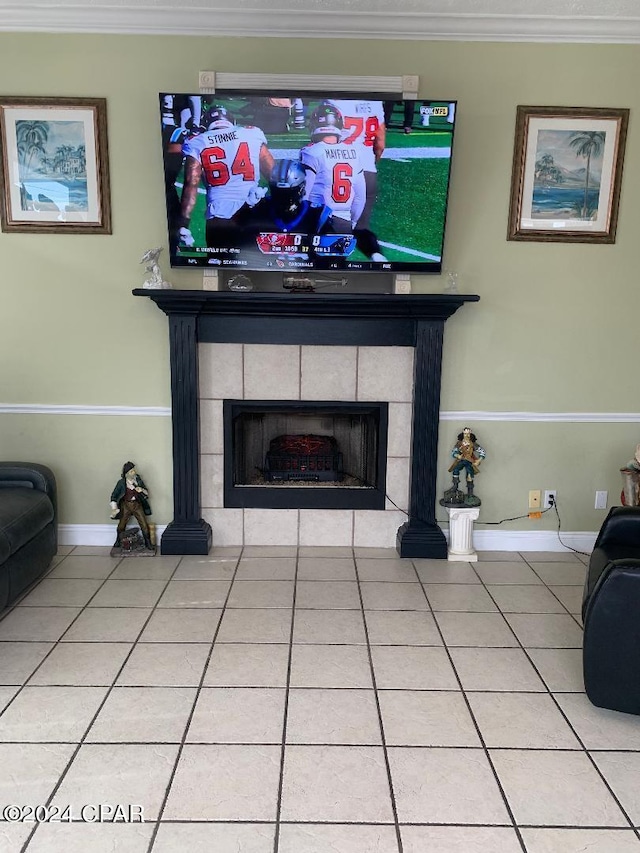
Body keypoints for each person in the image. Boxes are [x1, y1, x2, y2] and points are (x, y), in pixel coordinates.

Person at [178, 105, 275, 257]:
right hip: (253, 212)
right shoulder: (251, 133)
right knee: (258, 264)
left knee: (220, 267)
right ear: (232, 121)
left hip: (219, 216)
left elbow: (192, 182)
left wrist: (183, 224)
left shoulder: (198, 141)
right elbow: (273, 175)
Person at [300, 101, 386, 261]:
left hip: (326, 176)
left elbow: (305, 193)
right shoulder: (374, 101)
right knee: (360, 228)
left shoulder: (311, 151)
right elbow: (380, 141)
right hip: (363, 166)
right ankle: (377, 256)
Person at [243, 158, 334, 260]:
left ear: (301, 189)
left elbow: (333, 258)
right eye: (279, 193)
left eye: (287, 193)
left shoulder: (317, 215)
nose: (283, 199)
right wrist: (246, 208)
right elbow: (237, 242)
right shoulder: (261, 208)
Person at [110, 462, 154, 551]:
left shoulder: (138, 480)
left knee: (144, 523)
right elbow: (114, 496)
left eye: (134, 470)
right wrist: (114, 508)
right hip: (126, 505)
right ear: (126, 474)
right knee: (122, 524)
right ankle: (118, 540)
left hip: (137, 505)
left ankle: (148, 542)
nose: (133, 473)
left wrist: (141, 489)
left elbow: (146, 493)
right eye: (131, 471)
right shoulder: (121, 483)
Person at [442, 427, 486, 506]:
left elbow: (482, 452)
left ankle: (470, 494)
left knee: (469, 476)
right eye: (465, 433)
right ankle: (455, 487)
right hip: (461, 460)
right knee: (455, 470)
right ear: (463, 434)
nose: (467, 435)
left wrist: (478, 461)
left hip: (470, 462)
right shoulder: (459, 443)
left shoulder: (473, 444)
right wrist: (457, 455)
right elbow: (454, 452)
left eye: (468, 433)